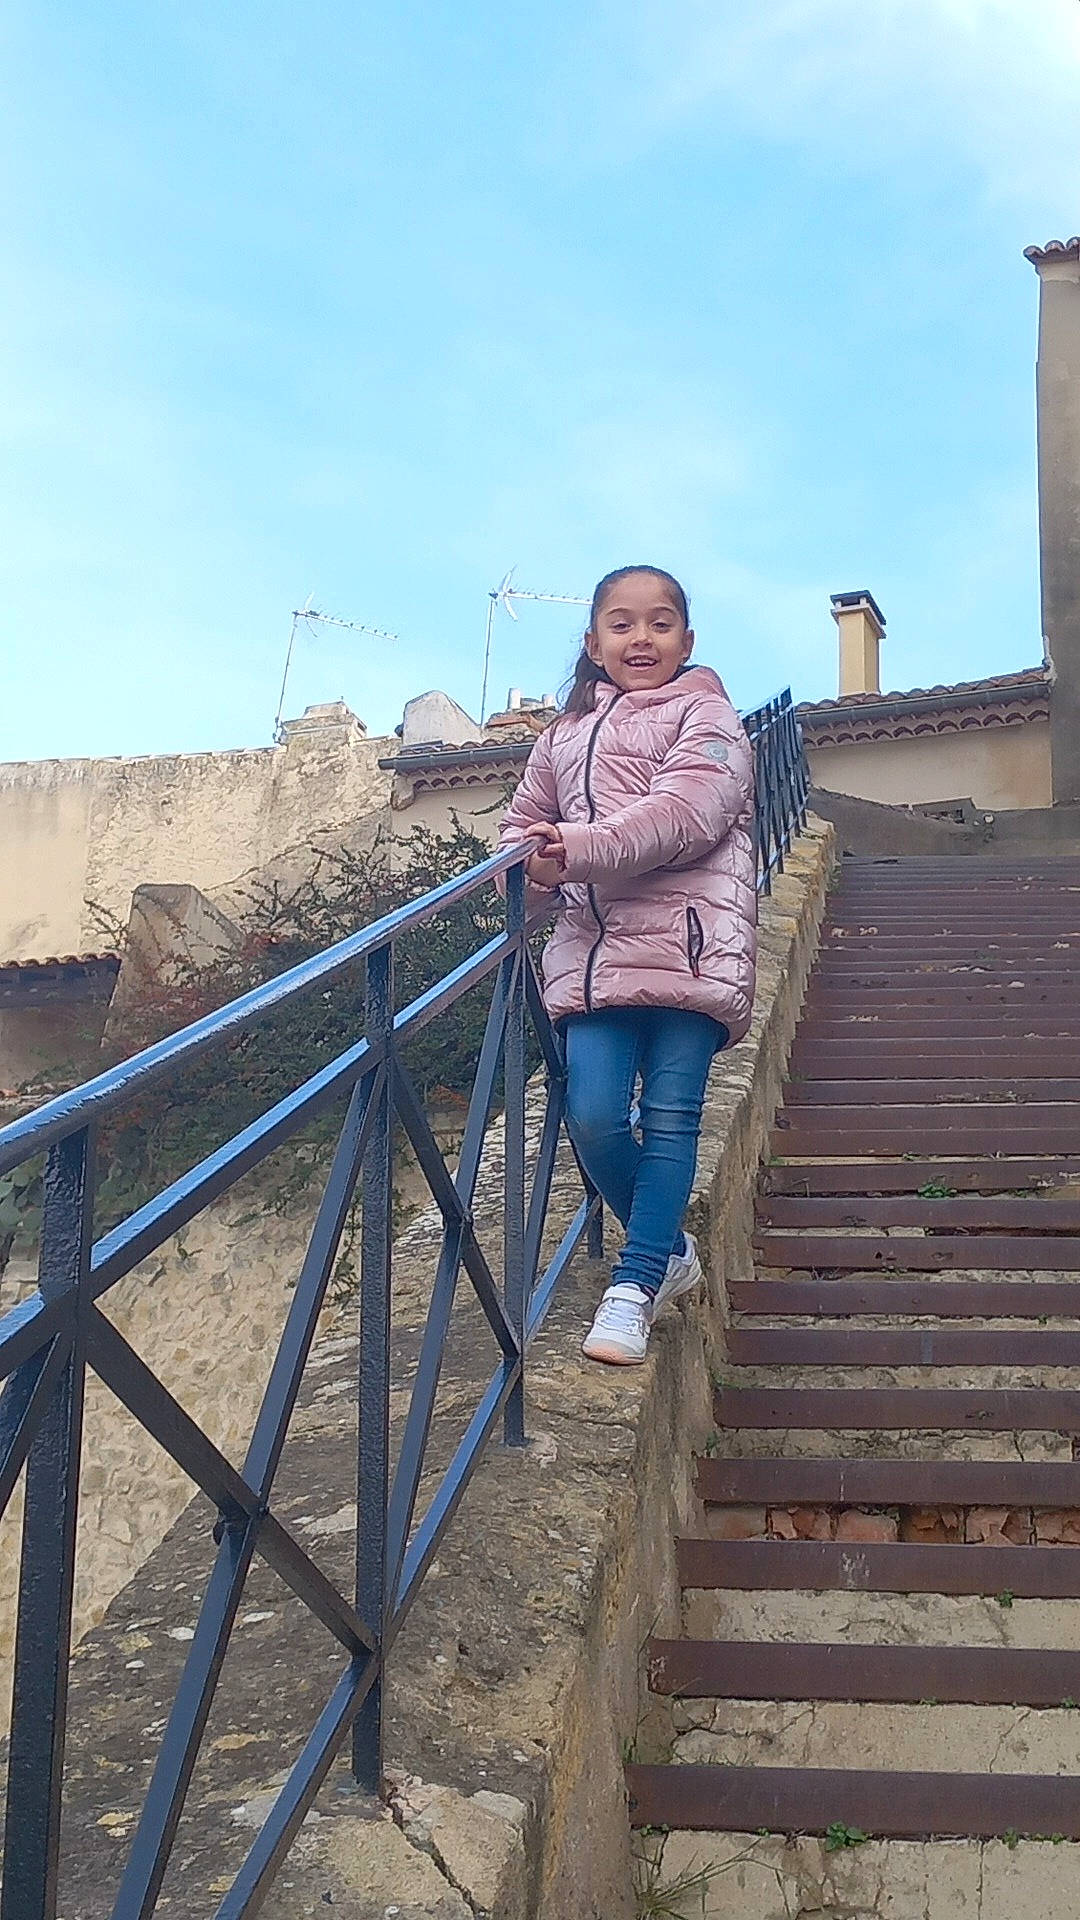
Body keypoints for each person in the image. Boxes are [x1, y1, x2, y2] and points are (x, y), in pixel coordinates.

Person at [498, 565, 756, 1365]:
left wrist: (568, 852)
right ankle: (670, 1252)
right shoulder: (559, 736)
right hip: (593, 958)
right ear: (593, 641)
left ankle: (634, 1287)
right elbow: (519, 828)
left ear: (687, 639)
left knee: (672, 1117)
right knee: (594, 1115)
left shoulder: (710, 718)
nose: (640, 639)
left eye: (659, 623)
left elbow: (681, 816)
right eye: (622, 623)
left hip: (687, 949)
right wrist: (524, 880)